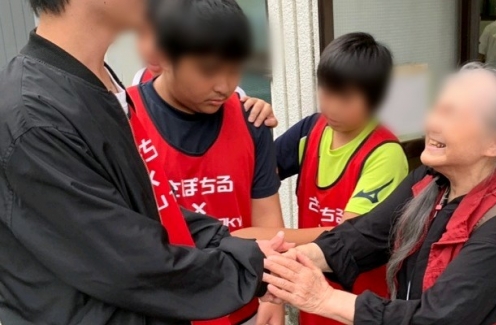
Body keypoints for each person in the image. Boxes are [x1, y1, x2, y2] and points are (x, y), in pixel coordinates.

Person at [0, 0, 290, 324]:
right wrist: (252, 268)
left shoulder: (94, 85)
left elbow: (150, 207)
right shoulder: (35, 115)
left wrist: (234, 247)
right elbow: (131, 263)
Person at [261, 63, 496, 325]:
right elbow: (361, 237)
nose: (432, 123)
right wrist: (287, 266)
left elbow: (437, 318)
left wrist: (323, 299)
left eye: (452, 113)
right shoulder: (429, 182)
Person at [233, 32, 409, 325]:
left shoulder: (384, 153)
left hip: (358, 303)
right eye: (326, 91)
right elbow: (254, 176)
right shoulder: (311, 130)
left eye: (346, 98)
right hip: (309, 292)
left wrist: (261, 237)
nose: (332, 106)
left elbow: (348, 238)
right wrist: (246, 118)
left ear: (375, 99)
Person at [127, 0, 285, 324]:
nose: (225, 86)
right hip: (162, 310)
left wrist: (275, 298)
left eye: (235, 68)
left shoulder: (251, 121)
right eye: (208, 70)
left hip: (243, 306)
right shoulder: (123, 120)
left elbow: (270, 228)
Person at [130, 2, 275, 129]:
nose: (223, 87)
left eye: (234, 69)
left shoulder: (244, 112)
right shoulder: (127, 110)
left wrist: (256, 112)